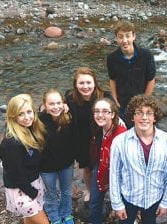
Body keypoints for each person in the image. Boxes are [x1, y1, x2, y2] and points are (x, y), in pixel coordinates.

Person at [109, 95, 167, 224]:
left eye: (149, 113)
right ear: (132, 116)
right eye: (139, 113)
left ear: (155, 117)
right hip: (129, 197)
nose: (144, 118)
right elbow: (114, 174)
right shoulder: (119, 142)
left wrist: (166, 202)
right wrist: (117, 204)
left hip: (154, 198)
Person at [0, 94, 49, 224]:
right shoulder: (11, 143)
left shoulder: (29, 129)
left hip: (31, 183)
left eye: (29, 112)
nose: (27, 117)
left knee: (30, 219)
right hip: (21, 190)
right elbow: (15, 174)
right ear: (13, 116)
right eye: (21, 114)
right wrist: (32, 192)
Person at [66, 67, 107, 202]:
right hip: (82, 142)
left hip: (103, 140)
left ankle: (111, 192)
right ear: (75, 84)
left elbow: (116, 116)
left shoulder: (105, 97)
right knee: (88, 169)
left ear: (94, 83)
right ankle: (89, 191)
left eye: (88, 83)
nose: (85, 87)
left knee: (107, 168)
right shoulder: (70, 99)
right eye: (81, 83)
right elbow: (51, 106)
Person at [39, 89, 75, 224]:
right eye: (51, 104)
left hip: (66, 164)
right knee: (50, 194)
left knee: (66, 191)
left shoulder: (68, 117)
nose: (56, 107)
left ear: (63, 103)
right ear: (44, 105)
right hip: (47, 167)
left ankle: (66, 213)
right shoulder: (39, 120)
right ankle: (54, 217)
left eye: (58, 103)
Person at [107, 21, 156, 119]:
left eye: (127, 36)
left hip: (141, 102)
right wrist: (115, 100)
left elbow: (151, 79)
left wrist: (144, 101)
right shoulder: (112, 58)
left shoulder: (146, 55)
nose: (124, 40)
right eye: (120, 37)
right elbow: (112, 79)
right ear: (116, 39)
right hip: (122, 103)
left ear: (134, 36)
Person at [89, 97, 127, 224]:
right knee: (94, 203)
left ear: (113, 114)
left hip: (118, 173)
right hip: (100, 166)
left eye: (105, 111)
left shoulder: (121, 134)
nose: (100, 115)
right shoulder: (96, 125)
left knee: (122, 205)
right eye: (97, 111)